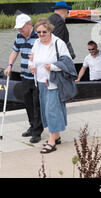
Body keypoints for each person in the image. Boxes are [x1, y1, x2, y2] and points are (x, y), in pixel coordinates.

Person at [28, 18, 71, 154]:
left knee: (51, 110)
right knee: (47, 110)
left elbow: (68, 63)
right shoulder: (37, 43)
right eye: (38, 32)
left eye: (44, 32)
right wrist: (31, 66)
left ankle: (52, 141)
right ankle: (56, 136)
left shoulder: (58, 43)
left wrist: (52, 66)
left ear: (50, 30)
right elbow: (32, 59)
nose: (41, 34)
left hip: (54, 82)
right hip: (40, 81)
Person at [5, 13, 43, 143]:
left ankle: (37, 132)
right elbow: (15, 51)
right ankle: (32, 126)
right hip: (25, 76)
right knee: (28, 103)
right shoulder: (19, 37)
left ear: (29, 24)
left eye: (22, 27)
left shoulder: (39, 36)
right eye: (18, 28)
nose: (20, 30)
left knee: (37, 103)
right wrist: (10, 65)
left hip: (37, 77)